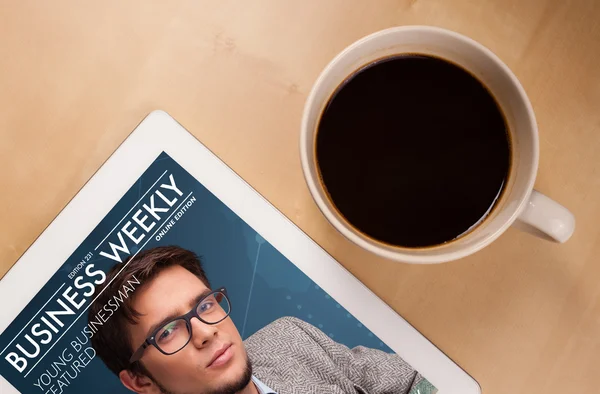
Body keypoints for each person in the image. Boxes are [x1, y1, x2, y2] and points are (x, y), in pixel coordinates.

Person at [88, 246, 426, 394]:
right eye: (168, 331)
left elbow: (416, 380)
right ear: (140, 382)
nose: (206, 333)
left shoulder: (289, 338)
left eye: (204, 305)